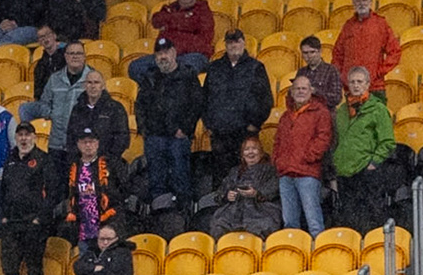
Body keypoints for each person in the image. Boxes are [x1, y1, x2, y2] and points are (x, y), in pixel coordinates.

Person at [136, 36, 204, 207]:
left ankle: (182, 215)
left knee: (180, 177)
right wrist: (144, 130)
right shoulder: (150, 77)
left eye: (166, 52)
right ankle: (160, 214)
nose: (162, 57)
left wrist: (185, 129)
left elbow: (197, 105)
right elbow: (140, 106)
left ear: (174, 53)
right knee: (156, 179)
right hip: (154, 137)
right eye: (158, 53)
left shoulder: (188, 75)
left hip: (178, 137)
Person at [202, 28, 272, 181]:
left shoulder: (255, 67)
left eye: (237, 41)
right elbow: (204, 97)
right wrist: (209, 124)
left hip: (245, 132)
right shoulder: (214, 68)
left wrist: (254, 124)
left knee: (246, 172)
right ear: (225, 45)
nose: (234, 45)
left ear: (244, 43)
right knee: (220, 175)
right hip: (220, 132)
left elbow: (265, 99)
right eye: (230, 42)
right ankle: (221, 204)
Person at [330, 66, 395, 234]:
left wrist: (373, 163)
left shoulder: (378, 109)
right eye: (352, 82)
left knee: (371, 213)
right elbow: (336, 140)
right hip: (344, 171)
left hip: (366, 171)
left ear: (367, 84)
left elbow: (387, 142)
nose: (356, 85)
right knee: (349, 217)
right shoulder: (342, 111)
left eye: (359, 81)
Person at [275, 71, 332, 236]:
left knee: (313, 220)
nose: (300, 91)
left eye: (304, 88)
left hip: (307, 172)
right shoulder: (286, 116)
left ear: (311, 91)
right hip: (286, 173)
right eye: (297, 88)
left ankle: (319, 253)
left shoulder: (320, 113)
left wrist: (309, 157)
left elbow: (323, 138)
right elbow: (277, 141)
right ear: (292, 92)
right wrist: (278, 161)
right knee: (289, 222)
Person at [0, 120, 51, 275]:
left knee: (34, 268)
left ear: (34, 137)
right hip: (11, 223)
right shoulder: (9, 160)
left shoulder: (43, 159)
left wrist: (39, 219)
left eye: (27, 135)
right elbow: (3, 190)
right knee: (9, 270)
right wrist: (3, 217)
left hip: (32, 223)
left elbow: (52, 192)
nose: (23, 139)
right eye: (20, 135)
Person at [130, 0, 212, 82]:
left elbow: (205, 36)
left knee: (185, 71)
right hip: (166, 54)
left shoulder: (203, 9)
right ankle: (156, 92)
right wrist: (183, 20)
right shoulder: (170, 8)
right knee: (136, 67)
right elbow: (156, 20)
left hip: (193, 54)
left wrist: (172, 20)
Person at [60, 128, 123, 255]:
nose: (88, 145)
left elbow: (122, 190)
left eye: (91, 141)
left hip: (106, 229)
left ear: (97, 143)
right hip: (83, 231)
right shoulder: (72, 167)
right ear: (78, 144)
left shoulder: (110, 164)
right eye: (84, 142)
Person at [210, 136, 281, 238]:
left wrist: (257, 193)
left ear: (261, 152)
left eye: (254, 148)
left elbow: (274, 188)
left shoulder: (270, 170)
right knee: (218, 224)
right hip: (234, 210)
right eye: (246, 149)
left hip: (261, 210)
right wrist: (227, 195)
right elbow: (220, 191)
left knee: (264, 225)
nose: (250, 152)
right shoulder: (235, 171)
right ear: (242, 155)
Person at [332, 0, 401, 86]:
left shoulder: (380, 24)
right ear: (353, 3)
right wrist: (342, 75)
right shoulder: (348, 26)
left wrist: (379, 72)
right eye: (358, 1)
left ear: (371, 2)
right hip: (351, 87)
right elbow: (337, 53)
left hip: (374, 86)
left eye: (364, 0)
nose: (361, 4)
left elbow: (395, 51)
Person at [27, 39, 87, 154]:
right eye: (71, 53)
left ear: (84, 56)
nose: (75, 57)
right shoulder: (54, 79)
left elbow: (101, 106)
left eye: (79, 53)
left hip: (81, 145)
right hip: (56, 144)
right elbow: (43, 103)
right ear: (65, 56)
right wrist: (53, 114)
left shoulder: (92, 79)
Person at [65, 67, 128, 163]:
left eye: (96, 82)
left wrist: (107, 158)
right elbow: (71, 136)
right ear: (84, 86)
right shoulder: (77, 109)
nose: (93, 86)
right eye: (89, 82)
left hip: (108, 162)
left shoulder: (115, 108)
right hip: (81, 162)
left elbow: (122, 137)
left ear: (103, 86)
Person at [296, 35, 341, 107]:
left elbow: (336, 98)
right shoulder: (301, 72)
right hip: (304, 114)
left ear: (320, 51)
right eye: (305, 53)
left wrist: (315, 91)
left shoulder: (331, 71)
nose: (309, 56)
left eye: (312, 52)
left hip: (325, 114)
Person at [27, 24, 63, 100]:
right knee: (25, 107)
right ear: (39, 42)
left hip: (63, 97)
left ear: (54, 36)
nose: (45, 39)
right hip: (46, 100)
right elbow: (37, 90)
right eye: (41, 37)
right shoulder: (40, 65)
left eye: (47, 35)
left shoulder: (67, 56)